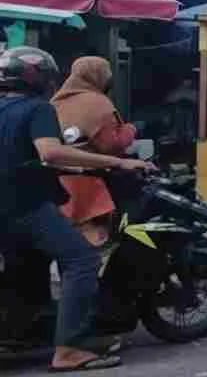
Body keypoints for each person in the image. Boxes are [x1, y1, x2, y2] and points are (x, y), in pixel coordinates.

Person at [0, 47, 152, 372]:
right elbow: (51, 153)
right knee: (82, 259)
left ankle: (21, 333)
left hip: (11, 207)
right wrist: (119, 161)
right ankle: (69, 349)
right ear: (41, 78)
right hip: (24, 204)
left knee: (25, 265)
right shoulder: (37, 108)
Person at [52, 57, 137, 246]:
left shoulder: (57, 101)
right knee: (90, 249)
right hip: (88, 186)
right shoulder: (98, 103)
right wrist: (130, 130)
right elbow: (110, 145)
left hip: (55, 183)